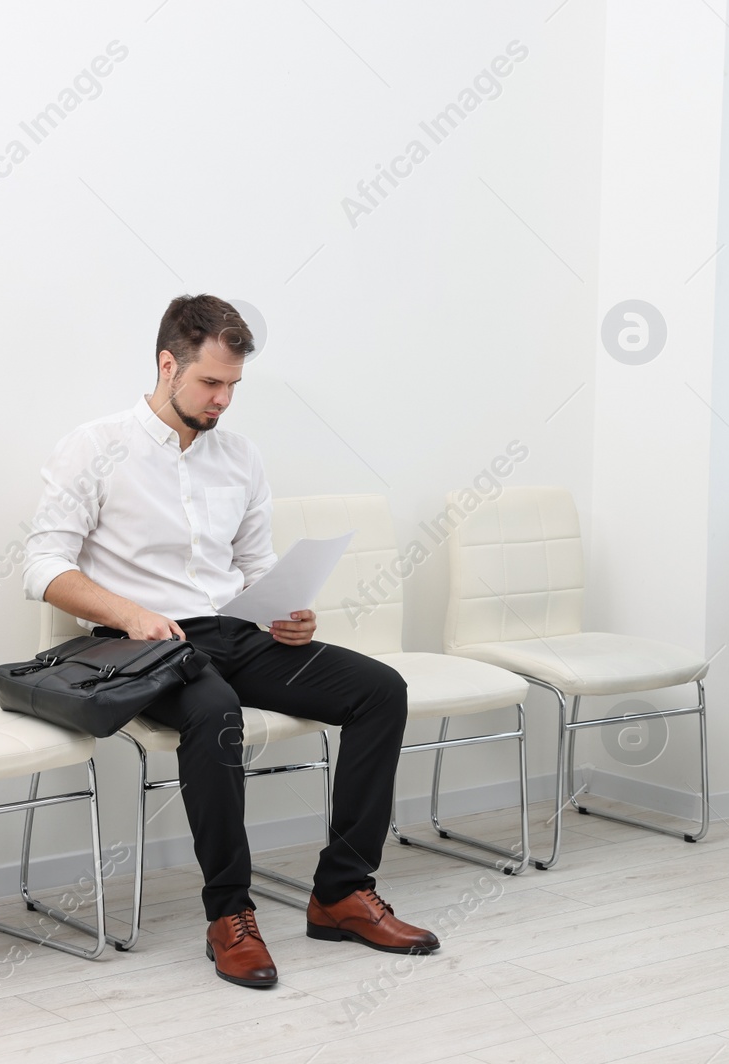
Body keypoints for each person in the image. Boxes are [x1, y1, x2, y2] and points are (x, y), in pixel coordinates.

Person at [22, 294, 438, 988]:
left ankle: (340, 891)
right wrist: (129, 613)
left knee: (380, 690)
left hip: (232, 631)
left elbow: (253, 565)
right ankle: (229, 914)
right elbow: (41, 566)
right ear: (166, 364)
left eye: (232, 387)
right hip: (139, 645)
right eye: (210, 383)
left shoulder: (240, 457)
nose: (221, 400)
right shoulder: (94, 447)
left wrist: (289, 609)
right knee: (216, 713)